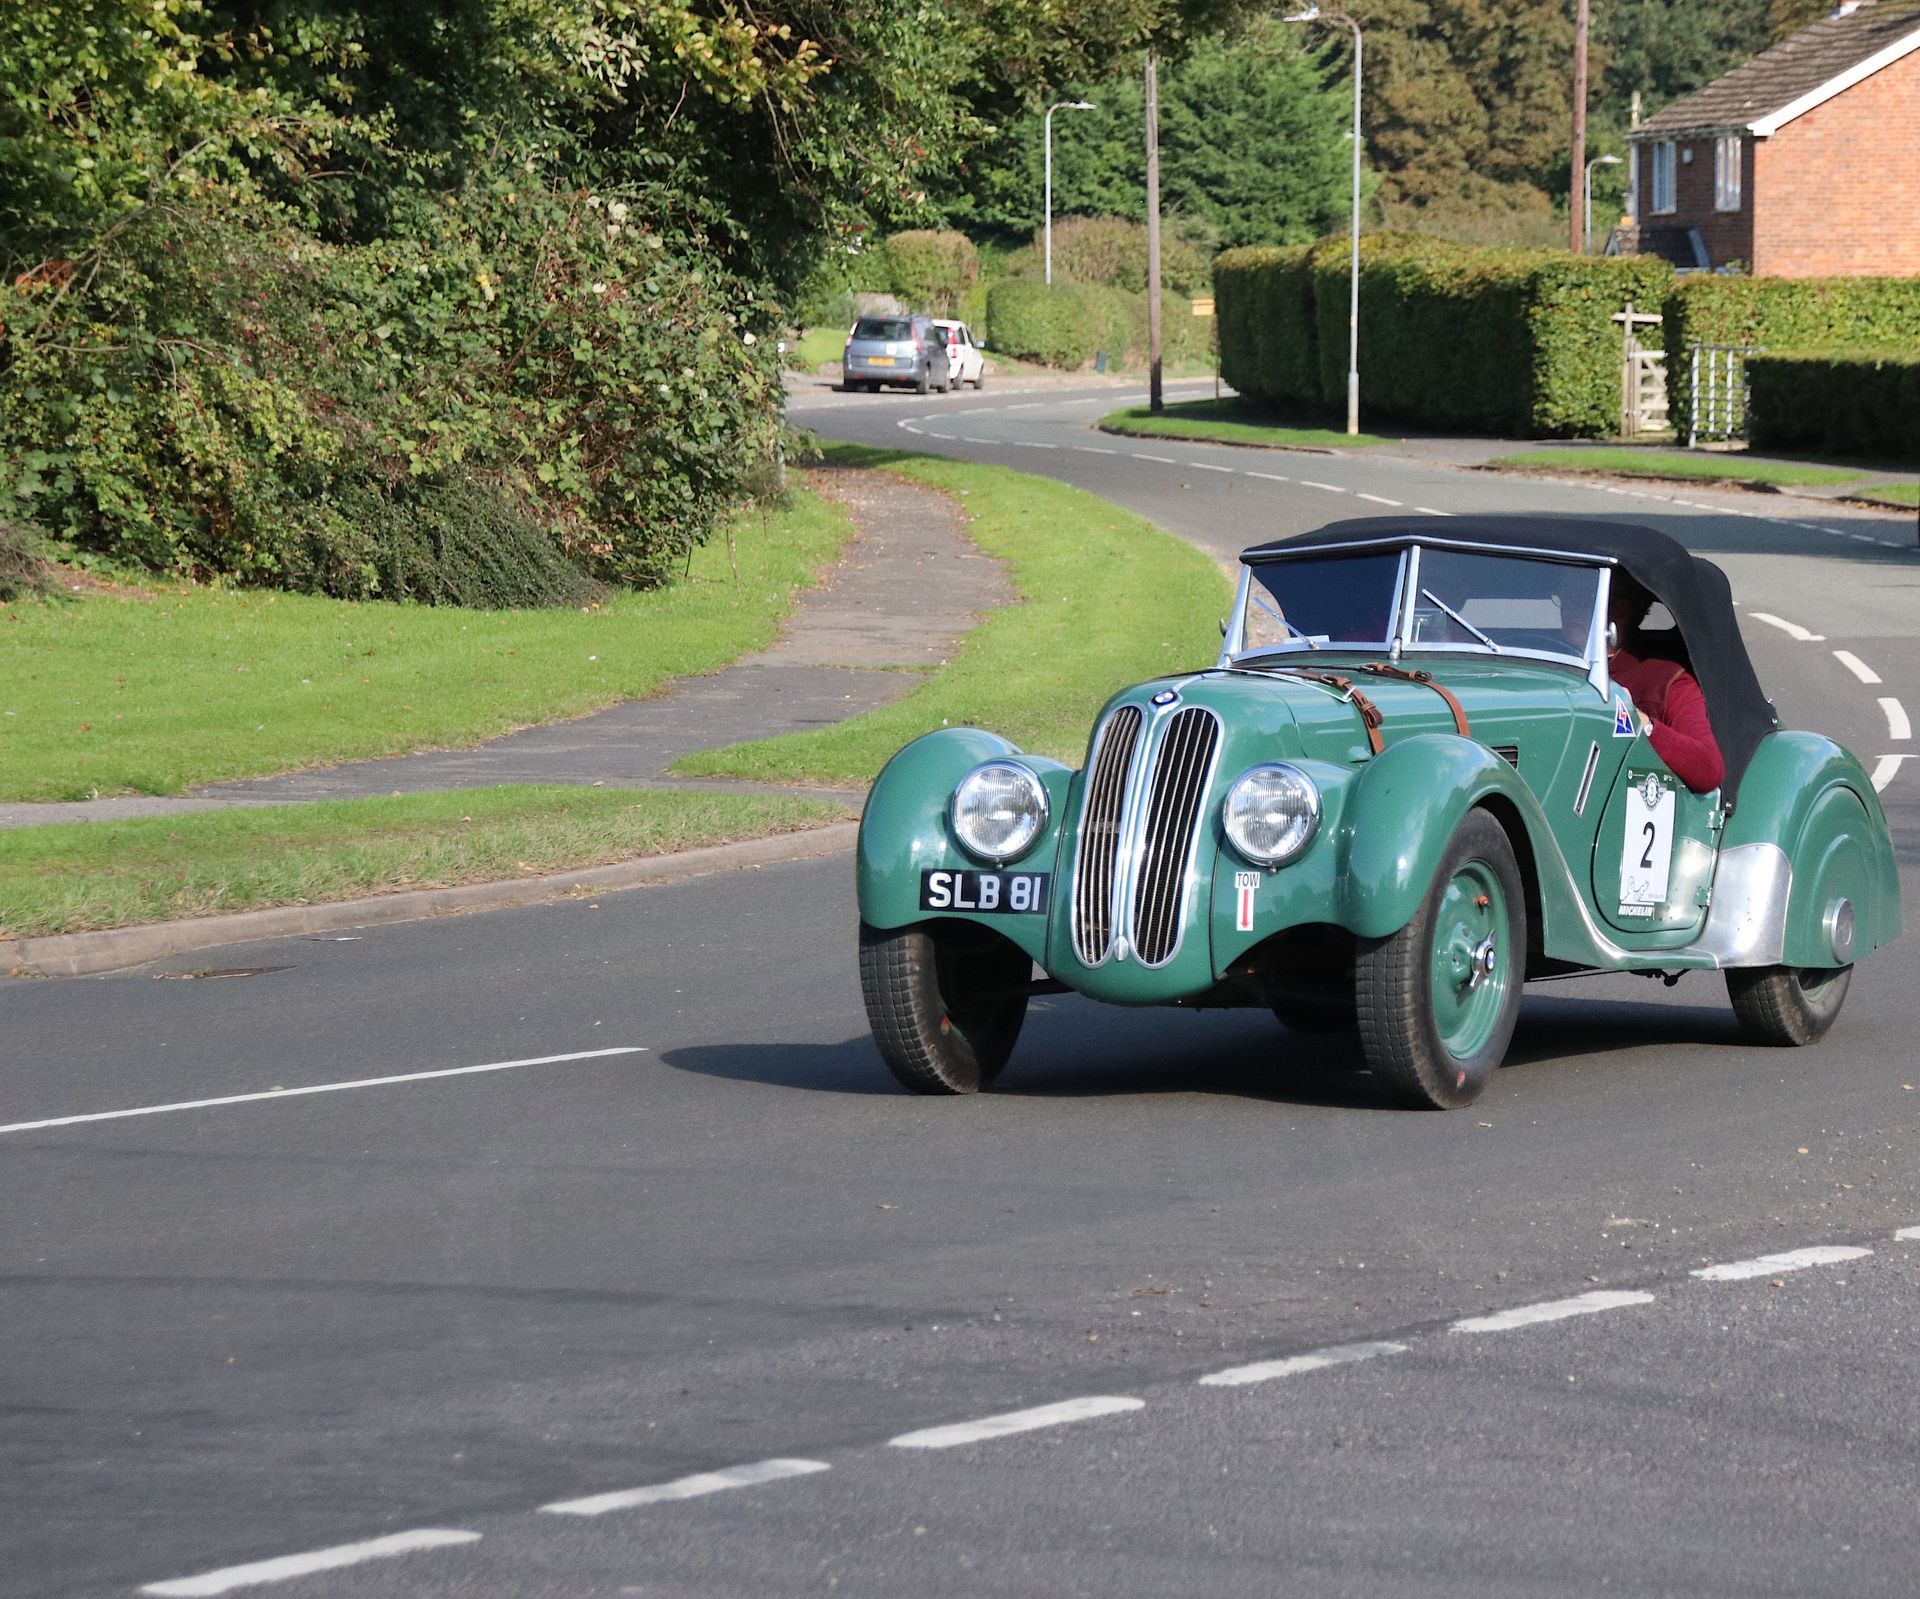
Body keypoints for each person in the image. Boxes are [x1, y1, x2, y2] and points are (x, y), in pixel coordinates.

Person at [1607, 573, 1725, 794]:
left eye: (1580, 598)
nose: (1568, 610)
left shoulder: (1665, 679)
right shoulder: (1543, 662)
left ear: (1619, 610)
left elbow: (1709, 768)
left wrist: (1643, 723)